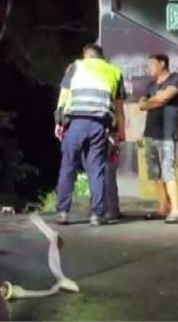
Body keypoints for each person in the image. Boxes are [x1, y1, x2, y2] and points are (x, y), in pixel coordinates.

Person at [53, 43, 126, 226]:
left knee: (68, 167)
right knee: (96, 169)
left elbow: (63, 97)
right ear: (101, 56)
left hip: (76, 123)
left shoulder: (75, 67)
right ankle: (97, 215)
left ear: (86, 54)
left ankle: (63, 213)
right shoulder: (114, 72)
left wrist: (59, 123)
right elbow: (119, 108)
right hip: (99, 125)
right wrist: (120, 132)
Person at [139, 53, 178, 224]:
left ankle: (176, 210)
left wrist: (153, 101)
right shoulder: (151, 85)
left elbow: (164, 98)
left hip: (167, 134)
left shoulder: (177, 78)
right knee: (155, 173)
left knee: (168, 171)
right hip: (150, 134)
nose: (149, 68)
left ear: (162, 64)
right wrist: (152, 101)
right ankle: (163, 208)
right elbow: (142, 102)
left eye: (152, 64)